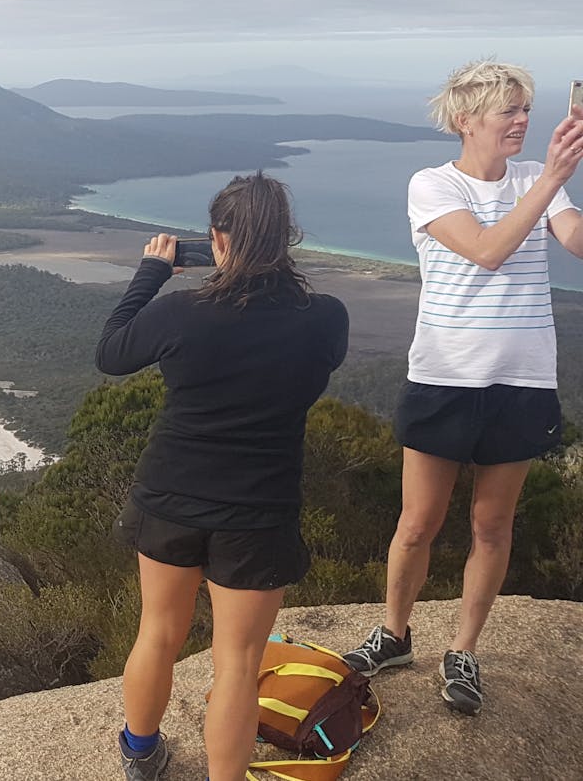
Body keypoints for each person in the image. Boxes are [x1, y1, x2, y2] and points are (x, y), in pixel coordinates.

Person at [341, 61, 583, 715]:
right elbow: (487, 249)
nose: (522, 120)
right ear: (465, 120)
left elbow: (576, 239)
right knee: (418, 523)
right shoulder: (431, 185)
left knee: (492, 523)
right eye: (508, 109)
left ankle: (464, 649)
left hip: (522, 378)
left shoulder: (538, 179)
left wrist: (559, 180)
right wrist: (556, 178)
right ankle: (394, 634)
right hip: (445, 377)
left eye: (526, 107)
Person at [96, 172, 349, 781]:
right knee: (238, 661)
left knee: (157, 632)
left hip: (169, 496)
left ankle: (141, 753)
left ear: (217, 240)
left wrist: (152, 273)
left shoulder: (182, 313)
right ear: (286, 241)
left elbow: (111, 354)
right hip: (258, 510)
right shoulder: (325, 318)